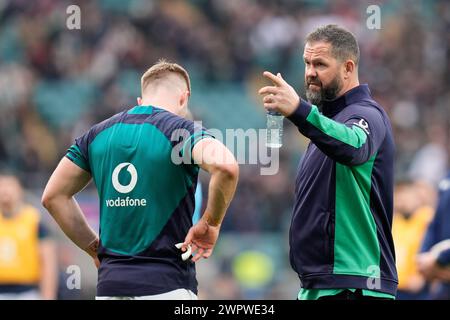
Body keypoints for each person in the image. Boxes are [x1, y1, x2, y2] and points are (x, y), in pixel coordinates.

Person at [41, 60, 239, 300]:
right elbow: (226, 166)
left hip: (110, 287)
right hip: (167, 285)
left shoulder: (97, 134)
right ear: (183, 98)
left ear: (140, 101)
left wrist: (95, 249)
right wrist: (210, 224)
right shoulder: (181, 131)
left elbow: (53, 196)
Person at [258, 24, 397, 300]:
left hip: (355, 283)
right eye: (307, 63)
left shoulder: (366, 114)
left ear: (348, 68)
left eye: (320, 64)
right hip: (320, 283)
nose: (310, 72)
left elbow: (353, 146)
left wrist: (299, 110)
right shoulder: (324, 127)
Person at [0, 174, 57, 300]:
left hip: (28, 292)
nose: (5, 190)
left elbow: (48, 262)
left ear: (20, 190)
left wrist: (48, 296)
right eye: (1, 185)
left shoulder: (34, 220)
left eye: (9, 185)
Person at [392, 179, 433, 299]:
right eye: (398, 197)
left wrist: (421, 277)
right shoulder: (395, 221)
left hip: (418, 287)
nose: (401, 202)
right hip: (397, 285)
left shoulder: (427, 218)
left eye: (405, 196)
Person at [417, 172, 450, 299]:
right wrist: (424, 255)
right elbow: (435, 222)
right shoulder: (447, 177)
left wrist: (438, 259)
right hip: (440, 273)